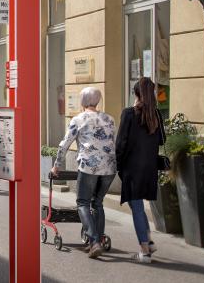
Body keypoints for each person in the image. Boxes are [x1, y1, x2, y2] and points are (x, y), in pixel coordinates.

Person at [49, 86, 117, 259]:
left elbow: (65, 144)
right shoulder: (110, 119)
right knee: (98, 203)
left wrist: (56, 165)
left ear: (83, 101)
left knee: (82, 202)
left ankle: (94, 241)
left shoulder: (78, 119)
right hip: (109, 168)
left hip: (89, 167)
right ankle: (99, 240)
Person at [115, 77, 164, 263]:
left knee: (136, 207)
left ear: (136, 94)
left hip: (132, 169)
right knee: (138, 206)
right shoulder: (156, 114)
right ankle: (149, 242)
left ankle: (144, 250)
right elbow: (161, 141)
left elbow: (120, 144)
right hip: (149, 168)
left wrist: (117, 165)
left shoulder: (129, 113)